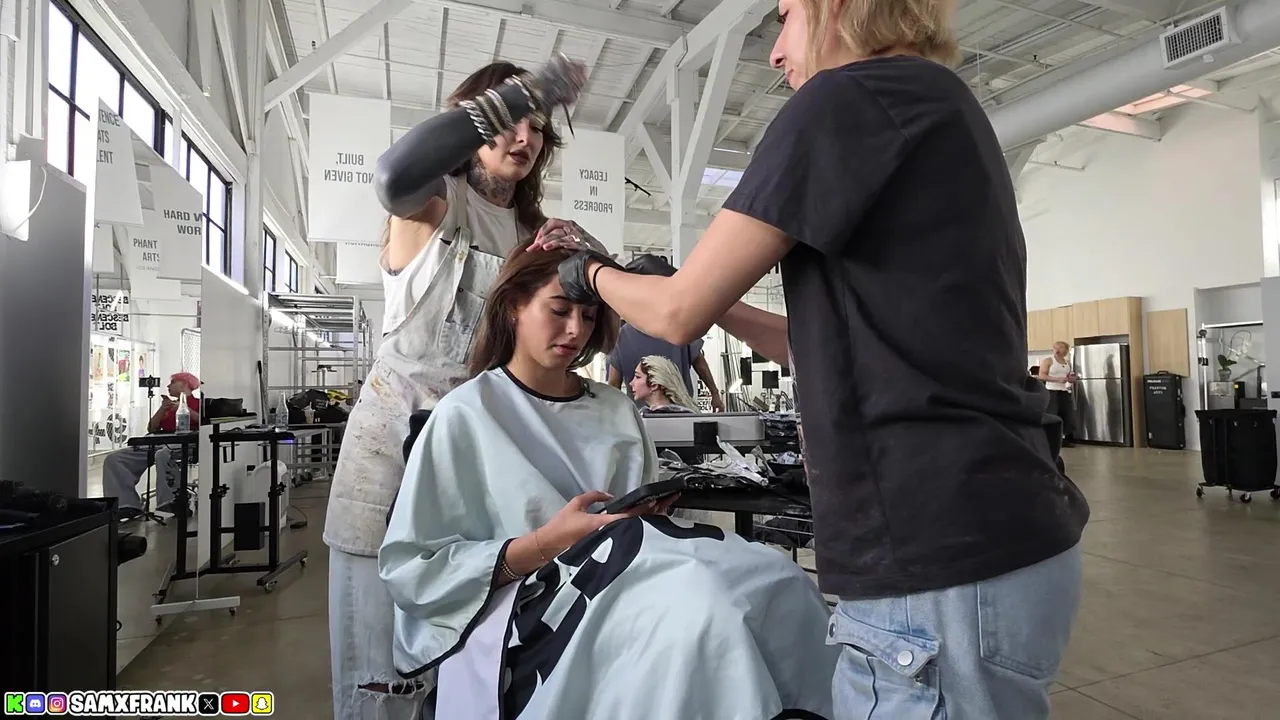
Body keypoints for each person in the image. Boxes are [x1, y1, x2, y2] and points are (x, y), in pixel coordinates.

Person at [540, 0, 1090, 717]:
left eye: (786, 15)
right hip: (1002, 539)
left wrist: (588, 271)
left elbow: (675, 314)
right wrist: (707, 294)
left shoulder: (848, 95)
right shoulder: (938, 106)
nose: (775, 52)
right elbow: (810, 345)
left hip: (933, 561)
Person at [380, 244, 837, 719]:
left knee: (779, 581)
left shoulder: (616, 409)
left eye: (588, 315)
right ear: (514, 305)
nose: (576, 330)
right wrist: (547, 542)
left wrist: (646, 514)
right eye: (559, 311)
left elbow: (640, 515)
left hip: (631, 566)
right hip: (533, 601)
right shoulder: (465, 415)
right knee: (701, 611)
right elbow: (414, 569)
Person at [324, 57, 599, 720]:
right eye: (510, 120)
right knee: (380, 682)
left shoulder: (534, 236)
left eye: (537, 126)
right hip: (390, 457)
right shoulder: (433, 204)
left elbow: (564, 343)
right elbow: (393, 175)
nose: (523, 136)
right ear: (473, 122)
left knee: (469, 675)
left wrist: (592, 267)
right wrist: (521, 94)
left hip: (478, 466)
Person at [102, 372, 200, 520]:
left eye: (173, 382)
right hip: (158, 440)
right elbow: (151, 428)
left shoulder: (199, 404)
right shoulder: (168, 406)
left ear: (184, 385)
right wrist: (162, 409)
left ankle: (174, 502)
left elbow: (202, 422)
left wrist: (184, 408)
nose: (168, 386)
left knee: (163, 454)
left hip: (184, 442)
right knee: (114, 459)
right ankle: (126, 505)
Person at [607, 320, 723, 412]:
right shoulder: (678, 327)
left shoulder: (622, 336)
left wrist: (612, 414)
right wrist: (714, 393)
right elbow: (700, 365)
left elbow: (614, 384)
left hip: (640, 418)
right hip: (681, 412)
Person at [1040, 341, 1077, 447]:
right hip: (1051, 391)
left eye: (1061, 347)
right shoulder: (1048, 361)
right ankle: (1050, 439)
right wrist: (1057, 379)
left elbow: (1069, 376)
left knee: (1067, 415)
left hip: (1064, 391)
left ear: (1065, 350)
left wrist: (1071, 379)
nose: (1058, 349)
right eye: (1056, 347)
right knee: (1052, 414)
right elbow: (1042, 376)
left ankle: (1065, 439)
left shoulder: (1067, 363)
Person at [631, 355, 699, 414]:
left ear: (654, 385)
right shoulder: (688, 415)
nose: (631, 383)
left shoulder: (643, 418)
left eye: (637, 377)